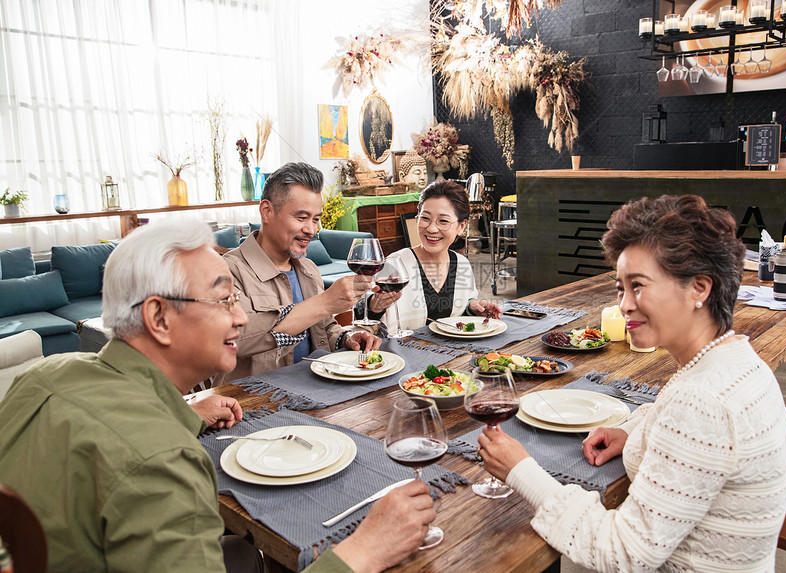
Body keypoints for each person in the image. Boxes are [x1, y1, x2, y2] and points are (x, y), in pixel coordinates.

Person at [0, 220, 435, 573]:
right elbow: (139, 456)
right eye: (225, 299)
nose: (242, 316)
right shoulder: (163, 463)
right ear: (158, 317)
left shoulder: (43, 377)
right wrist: (361, 554)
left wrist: (186, 412)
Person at [478, 195, 786, 571]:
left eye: (638, 285)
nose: (625, 304)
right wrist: (631, 429)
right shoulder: (735, 362)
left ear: (700, 288)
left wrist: (521, 471)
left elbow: (624, 554)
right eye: (620, 288)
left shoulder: (702, 402)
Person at [217, 162, 381, 385]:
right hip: (254, 402)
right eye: (301, 218)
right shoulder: (228, 271)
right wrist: (325, 302)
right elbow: (236, 340)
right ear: (267, 211)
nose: (311, 230)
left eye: (315, 219)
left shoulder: (309, 270)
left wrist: (346, 337)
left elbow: (324, 329)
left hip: (316, 391)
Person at [359, 179, 500, 330]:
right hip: (401, 350)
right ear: (417, 219)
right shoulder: (394, 264)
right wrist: (375, 305)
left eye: (443, 221)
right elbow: (362, 315)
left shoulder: (461, 264)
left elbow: (459, 312)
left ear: (461, 226)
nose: (432, 229)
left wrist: (472, 308)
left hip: (454, 351)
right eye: (425, 218)